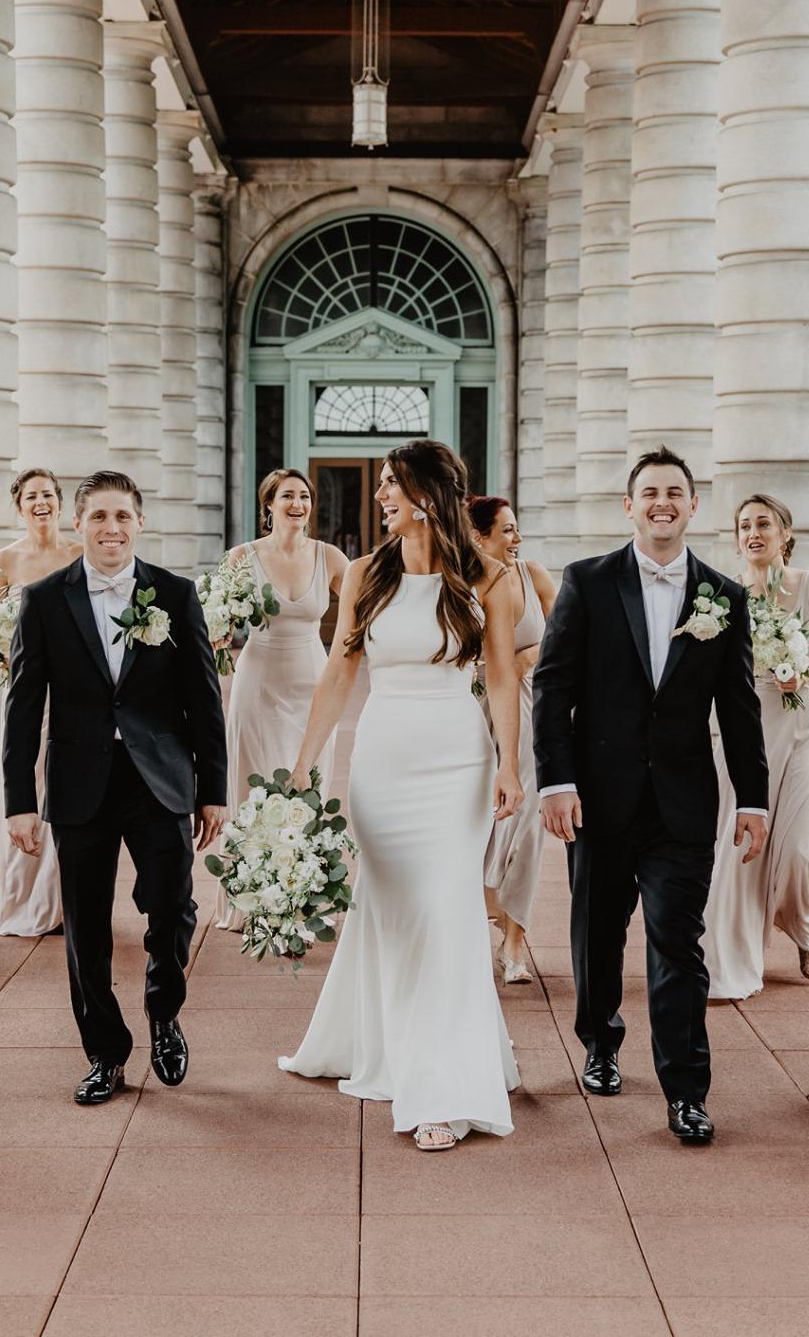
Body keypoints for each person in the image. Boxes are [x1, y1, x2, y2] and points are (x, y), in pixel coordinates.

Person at [279, 440, 525, 1152]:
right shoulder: (363, 574)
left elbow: (503, 677)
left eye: (393, 484)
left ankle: (446, 1083)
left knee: (447, 910)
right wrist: (303, 765)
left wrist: (510, 764)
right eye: (382, 484)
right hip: (382, 763)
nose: (382, 494)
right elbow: (338, 672)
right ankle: (392, 1044)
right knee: (392, 909)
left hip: (458, 764)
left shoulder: (489, 576)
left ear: (427, 493)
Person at [532, 446, 769, 1145]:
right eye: (650, 492)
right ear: (628, 506)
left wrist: (752, 798)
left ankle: (687, 1090)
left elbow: (741, 705)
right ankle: (600, 1039)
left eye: (675, 492)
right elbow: (552, 688)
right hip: (598, 801)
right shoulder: (587, 581)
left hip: (684, 804)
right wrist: (557, 779)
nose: (662, 502)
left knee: (677, 943)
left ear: (694, 506)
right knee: (598, 934)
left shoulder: (724, 596)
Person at [1, 471, 229, 1105]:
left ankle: (164, 1012)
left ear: (140, 522)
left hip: (160, 779)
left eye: (122, 517)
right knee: (85, 927)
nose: (111, 529)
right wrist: (20, 800)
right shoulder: (44, 599)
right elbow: (23, 707)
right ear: (79, 524)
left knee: (174, 908)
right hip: (79, 783)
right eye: (99, 517)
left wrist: (214, 788)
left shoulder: (176, 595)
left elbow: (203, 701)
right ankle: (104, 1052)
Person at [704, 494, 809, 998]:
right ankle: (740, 952)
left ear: (785, 532)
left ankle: (804, 924)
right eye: (744, 526)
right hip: (743, 727)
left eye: (764, 524)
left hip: (801, 723)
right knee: (740, 845)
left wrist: (804, 671)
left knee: (799, 846)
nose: (753, 533)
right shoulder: (723, 593)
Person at [214, 468, 350, 932]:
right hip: (258, 683)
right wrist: (215, 632)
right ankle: (249, 891)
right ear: (268, 505)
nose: (298, 503)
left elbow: (366, 605)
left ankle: (303, 889)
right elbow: (218, 622)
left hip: (314, 681)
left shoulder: (330, 557)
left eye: (305, 495)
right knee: (252, 786)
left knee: (309, 783)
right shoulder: (240, 557)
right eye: (287, 495)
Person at [0, 468, 82, 937]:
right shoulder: (3, 561)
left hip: (76, 689)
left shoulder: (81, 554)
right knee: (22, 779)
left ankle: (62, 899)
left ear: (60, 503)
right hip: (25, 691)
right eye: (31, 496)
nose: (40, 502)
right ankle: (19, 897)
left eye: (47, 494)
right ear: (19, 506)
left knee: (66, 783)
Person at [470, 495, 558, 983]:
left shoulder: (534, 575)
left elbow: (569, 633)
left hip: (527, 706)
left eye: (516, 529)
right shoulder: (456, 582)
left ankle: (514, 943)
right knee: (477, 821)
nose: (516, 539)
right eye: (507, 531)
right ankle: (478, 922)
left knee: (525, 823)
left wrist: (528, 659)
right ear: (478, 537)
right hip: (470, 707)